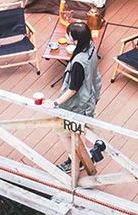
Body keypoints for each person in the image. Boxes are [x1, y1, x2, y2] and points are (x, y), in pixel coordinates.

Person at [44, 22, 103, 173]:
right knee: (79, 129)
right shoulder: (91, 46)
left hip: (78, 103)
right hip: (90, 95)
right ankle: (85, 154)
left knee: (61, 129)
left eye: (68, 34)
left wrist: (55, 103)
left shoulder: (78, 63)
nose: (66, 36)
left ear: (76, 40)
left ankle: (76, 160)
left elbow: (73, 89)